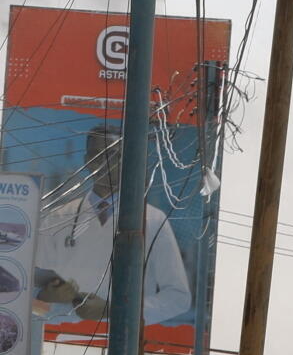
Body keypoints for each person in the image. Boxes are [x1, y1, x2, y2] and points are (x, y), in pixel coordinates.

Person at [31, 128, 192, 327]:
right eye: (97, 156)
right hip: (60, 337)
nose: (104, 164)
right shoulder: (59, 217)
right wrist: (44, 293)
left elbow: (178, 298)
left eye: (114, 156)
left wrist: (112, 310)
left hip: (122, 343)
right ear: (86, 160)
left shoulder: (152, 220)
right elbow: (26, 282)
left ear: (128, 161)